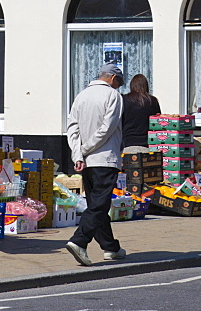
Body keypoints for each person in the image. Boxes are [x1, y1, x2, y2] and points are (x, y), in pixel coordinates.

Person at [65, 62, 125, 267]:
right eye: (119, 83)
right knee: (100, 205)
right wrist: (84, 150)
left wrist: (77, 154)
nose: (118, 87)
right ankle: (79, 240)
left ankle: (111, 247)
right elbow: (107, 129)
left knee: (96, 204)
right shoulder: (113, 96)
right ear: (113, 79)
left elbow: (72, 129)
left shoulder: (81, 96)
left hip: (86, 161)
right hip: (105, 158)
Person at [121, 73, 161, 152]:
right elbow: (157, 123)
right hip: (148, 144)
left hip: (128, 143)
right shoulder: (152, 101)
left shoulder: (124, 99)